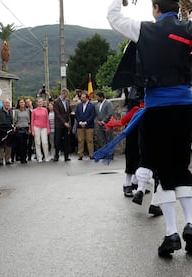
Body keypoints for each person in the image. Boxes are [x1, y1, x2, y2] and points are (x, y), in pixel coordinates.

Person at [107, 0, 192, 257]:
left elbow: (113, 16)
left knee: (164, 172)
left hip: (157, 109)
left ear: (155, 8)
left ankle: (171, 234)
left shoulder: (143, 29)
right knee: (182, 167)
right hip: (186, 107)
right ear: (176, 8)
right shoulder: (188, 29)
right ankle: (191, 225)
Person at [74, 91, 96, 160]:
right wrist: (80, 122)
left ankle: (91, 154)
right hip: (80, 126)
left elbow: (92, 115)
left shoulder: (91, 105)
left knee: (89, 140)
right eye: (81, 97)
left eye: (83, 97)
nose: (82, 99)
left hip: (89, 126)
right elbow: (76, 114)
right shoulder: (78, 105)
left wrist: (86, 122)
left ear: (87, 98)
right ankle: (80, 154)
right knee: (80, 140)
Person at [0, 98, 14, 165]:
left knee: (9, 145)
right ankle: (1, 160)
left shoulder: (10, 111)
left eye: (8, 103)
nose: (8, 104)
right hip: (0, 130)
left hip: (9, 130)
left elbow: (12, 121)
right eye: (6, 103)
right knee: (1, 145)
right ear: (3, 104)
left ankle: (7, 159)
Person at [53, 88, 72, 162]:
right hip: (59, 125)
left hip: (66, 124)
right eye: (67, 94)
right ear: (63, 93)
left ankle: (66, 156)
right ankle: (56, 155)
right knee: (58, 140)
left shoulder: (67, 101)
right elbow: (57, 114)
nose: (67, 96)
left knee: (66, 141)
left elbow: (69, 110)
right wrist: (64, 122)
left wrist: (72, 113)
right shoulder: (56, 102)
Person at [31, 98, 50, 162]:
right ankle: (39, 157)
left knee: (45, 142)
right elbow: (32, 121)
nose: (40, 103)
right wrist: (32, 130)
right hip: (36, 127)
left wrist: (48, 129)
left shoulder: (45, 110)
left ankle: (46, 156)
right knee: (37, 143)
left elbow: (47, 120)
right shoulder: (34, 111)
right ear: (37, 103)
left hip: (44, 127)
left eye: (41, 102)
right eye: (39, 102)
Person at [13, 98, 31, 164]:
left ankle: (25, 157)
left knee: (25, 144)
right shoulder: (17, 111)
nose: (22, 103)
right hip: (19, 129)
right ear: (19, 104)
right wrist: (15, 126)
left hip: (26, 128)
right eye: (20, 102)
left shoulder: (27, 110)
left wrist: (29, 128)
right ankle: (21, 158)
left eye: (23, 102)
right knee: (20, 144)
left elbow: (29, 121)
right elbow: (15, 120)